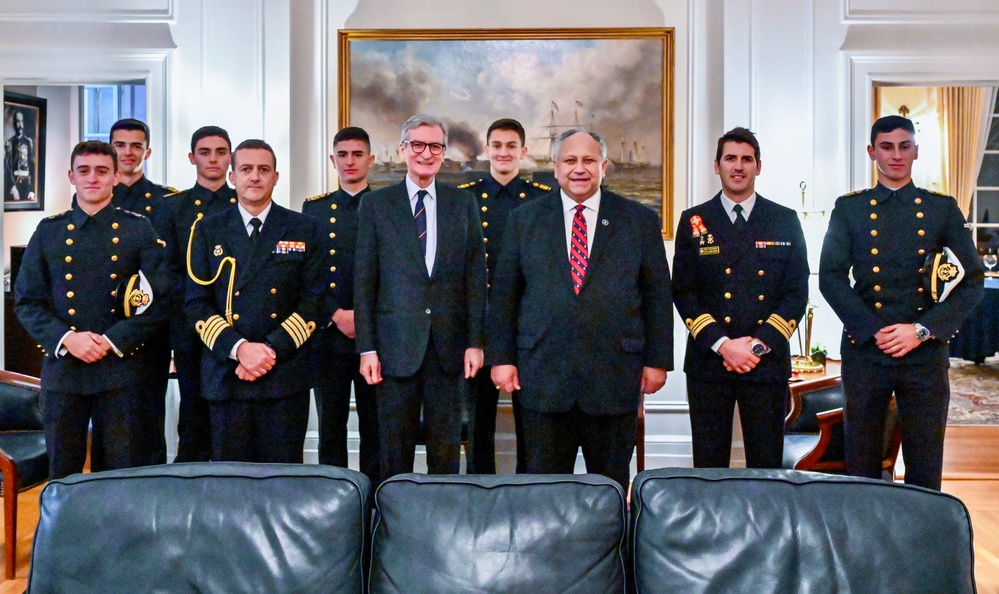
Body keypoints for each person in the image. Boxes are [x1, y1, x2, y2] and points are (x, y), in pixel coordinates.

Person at [487, 129, 672, 490]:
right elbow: (505, 296)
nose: (579, 169)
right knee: (542, 489)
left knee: (609, 488)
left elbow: (657, 296)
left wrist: (658, 360)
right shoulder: (524, 220)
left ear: (604, 166)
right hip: (542, 377)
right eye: (570, 160)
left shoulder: (639, 221)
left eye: (589, 160)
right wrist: (502, 358)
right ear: (555, 168)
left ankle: (609, 548)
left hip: (615, 378)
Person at [819, 115, 984, 490]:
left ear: (916, 151)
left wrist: (923, 330)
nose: (896, 155)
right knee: (860, 461)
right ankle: (860, 543)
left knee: (925, 461)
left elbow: (972, 279)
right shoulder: (850, 209)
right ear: (872, 151)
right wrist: (875, 330)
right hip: (867, 349)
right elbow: (831, 276)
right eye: (887, 147)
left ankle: (922, 544)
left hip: (923, 352)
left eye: (904, 146)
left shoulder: (940, 208)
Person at [14, 140, 170, 479]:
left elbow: (159, 302)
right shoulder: (49, 231)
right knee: (63, 471)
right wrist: (68, 339)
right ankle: (64, 533)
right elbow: (26, 301)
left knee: (119, 470)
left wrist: (111, 341)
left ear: (115, 176)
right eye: (84, 170)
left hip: (120, 367)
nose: (92, 178)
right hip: (64, 369)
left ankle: (117, 534)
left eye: (102, 171)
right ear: (71, 176)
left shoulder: (138, 229)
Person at [355, 114, 487, 478]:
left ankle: (443, 528)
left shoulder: (463, 204)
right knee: (393, 451)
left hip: (448, 348)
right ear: (403, 150)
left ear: (443, 153)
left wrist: (475, 342)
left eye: (435, 146)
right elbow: (365, 282)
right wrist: (367, 347)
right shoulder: (377, 206)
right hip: (393, 349)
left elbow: (475, 279)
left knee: (445, 452)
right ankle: (394, 526)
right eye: (417, 145)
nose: (425, 154)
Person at [672, 127, 809, 469]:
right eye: (730, 158)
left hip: (765, 362)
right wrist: (723, 344)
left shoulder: (784, 219)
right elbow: (684, 291)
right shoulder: (693, 220)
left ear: (758, 167)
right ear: (716, 165)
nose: (738, 166)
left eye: (746, 159)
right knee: (709, 463)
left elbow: (796, 291)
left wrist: (758, 347)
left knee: (766, 463)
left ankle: (764, 525)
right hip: (710, 361)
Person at [186, 139, 326, 463]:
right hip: (227, 373)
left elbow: (313, 301)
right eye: (246, 169)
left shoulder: (305, 228)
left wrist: (268, 352)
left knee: (282, 482)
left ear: (276, 177)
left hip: (284, 375)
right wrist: (241, 350)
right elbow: (196, 303)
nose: (255, 177)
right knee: (230, 483)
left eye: (264, 170)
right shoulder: (207, 230)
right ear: (232, 176)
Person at [458, 118, 550, 474]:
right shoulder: (465, 197)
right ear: (486, 150)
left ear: (523, 152)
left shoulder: (543, 198)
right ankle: (480, 492)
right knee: (478, 419)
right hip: (479, 320)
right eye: (496, 145)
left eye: (511, 146)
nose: (503, 152)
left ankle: (529, 491)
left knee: (533, 418)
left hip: (527, 320)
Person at [301, 126, 380, 484]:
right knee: (330, 427)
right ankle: (335, 501)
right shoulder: (314, 209)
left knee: (375, 426)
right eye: (343, 155)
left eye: (357, 154)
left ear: (371, 160)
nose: (350, 161)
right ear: (333, 160)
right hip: (329, 335)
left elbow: (393, 272)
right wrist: (335, 313)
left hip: (375, 336)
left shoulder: (387, 205)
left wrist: (362, 319)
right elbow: (309, 272)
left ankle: (377, 500)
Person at [162, 126, 238, 462]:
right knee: (193, 405)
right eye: (205, 152)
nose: (213, 159)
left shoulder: (245, 202)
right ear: (192, 157)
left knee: (232, 406)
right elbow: (164, 270)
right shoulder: (173, 208)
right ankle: (189, 480)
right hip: (190, 325)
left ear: (231, 157)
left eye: (221, 152)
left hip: (237, 326)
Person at [107, 117, 176, 465]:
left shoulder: (168, 201)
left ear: (147, 151)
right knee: (111, 418)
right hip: (104, 327)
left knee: (150, 411)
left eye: (136, 145)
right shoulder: (99, 196)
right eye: (120, 145)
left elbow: (173, 266)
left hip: (152, 327)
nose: (128, 152)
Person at [5, 109, 35, 202]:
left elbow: (32, 165)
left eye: (21, 121)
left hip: (26, 185)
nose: (20, 125)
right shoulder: (10, 143)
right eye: (18, 122)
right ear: (14, 124)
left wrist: (32, 189)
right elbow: (7, 167)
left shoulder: (28, 142)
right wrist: (12, 187)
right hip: (14, 184)